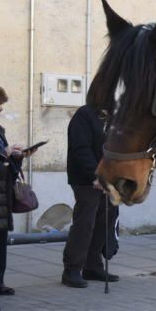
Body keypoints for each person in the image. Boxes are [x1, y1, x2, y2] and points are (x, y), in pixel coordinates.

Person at [0, 84, 34, 311]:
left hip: (1, 196)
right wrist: (4, 156)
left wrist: (18, 157)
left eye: (0, 110)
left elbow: (3, 166)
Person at [61, 105, 120, 288]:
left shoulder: (116, 115)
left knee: (107, 220)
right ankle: (72, 269)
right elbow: (81, 148)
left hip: (110, 178)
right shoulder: (85, 115)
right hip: (86, 179)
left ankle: (92, 265)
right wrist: (95, 175)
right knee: (85, 223)